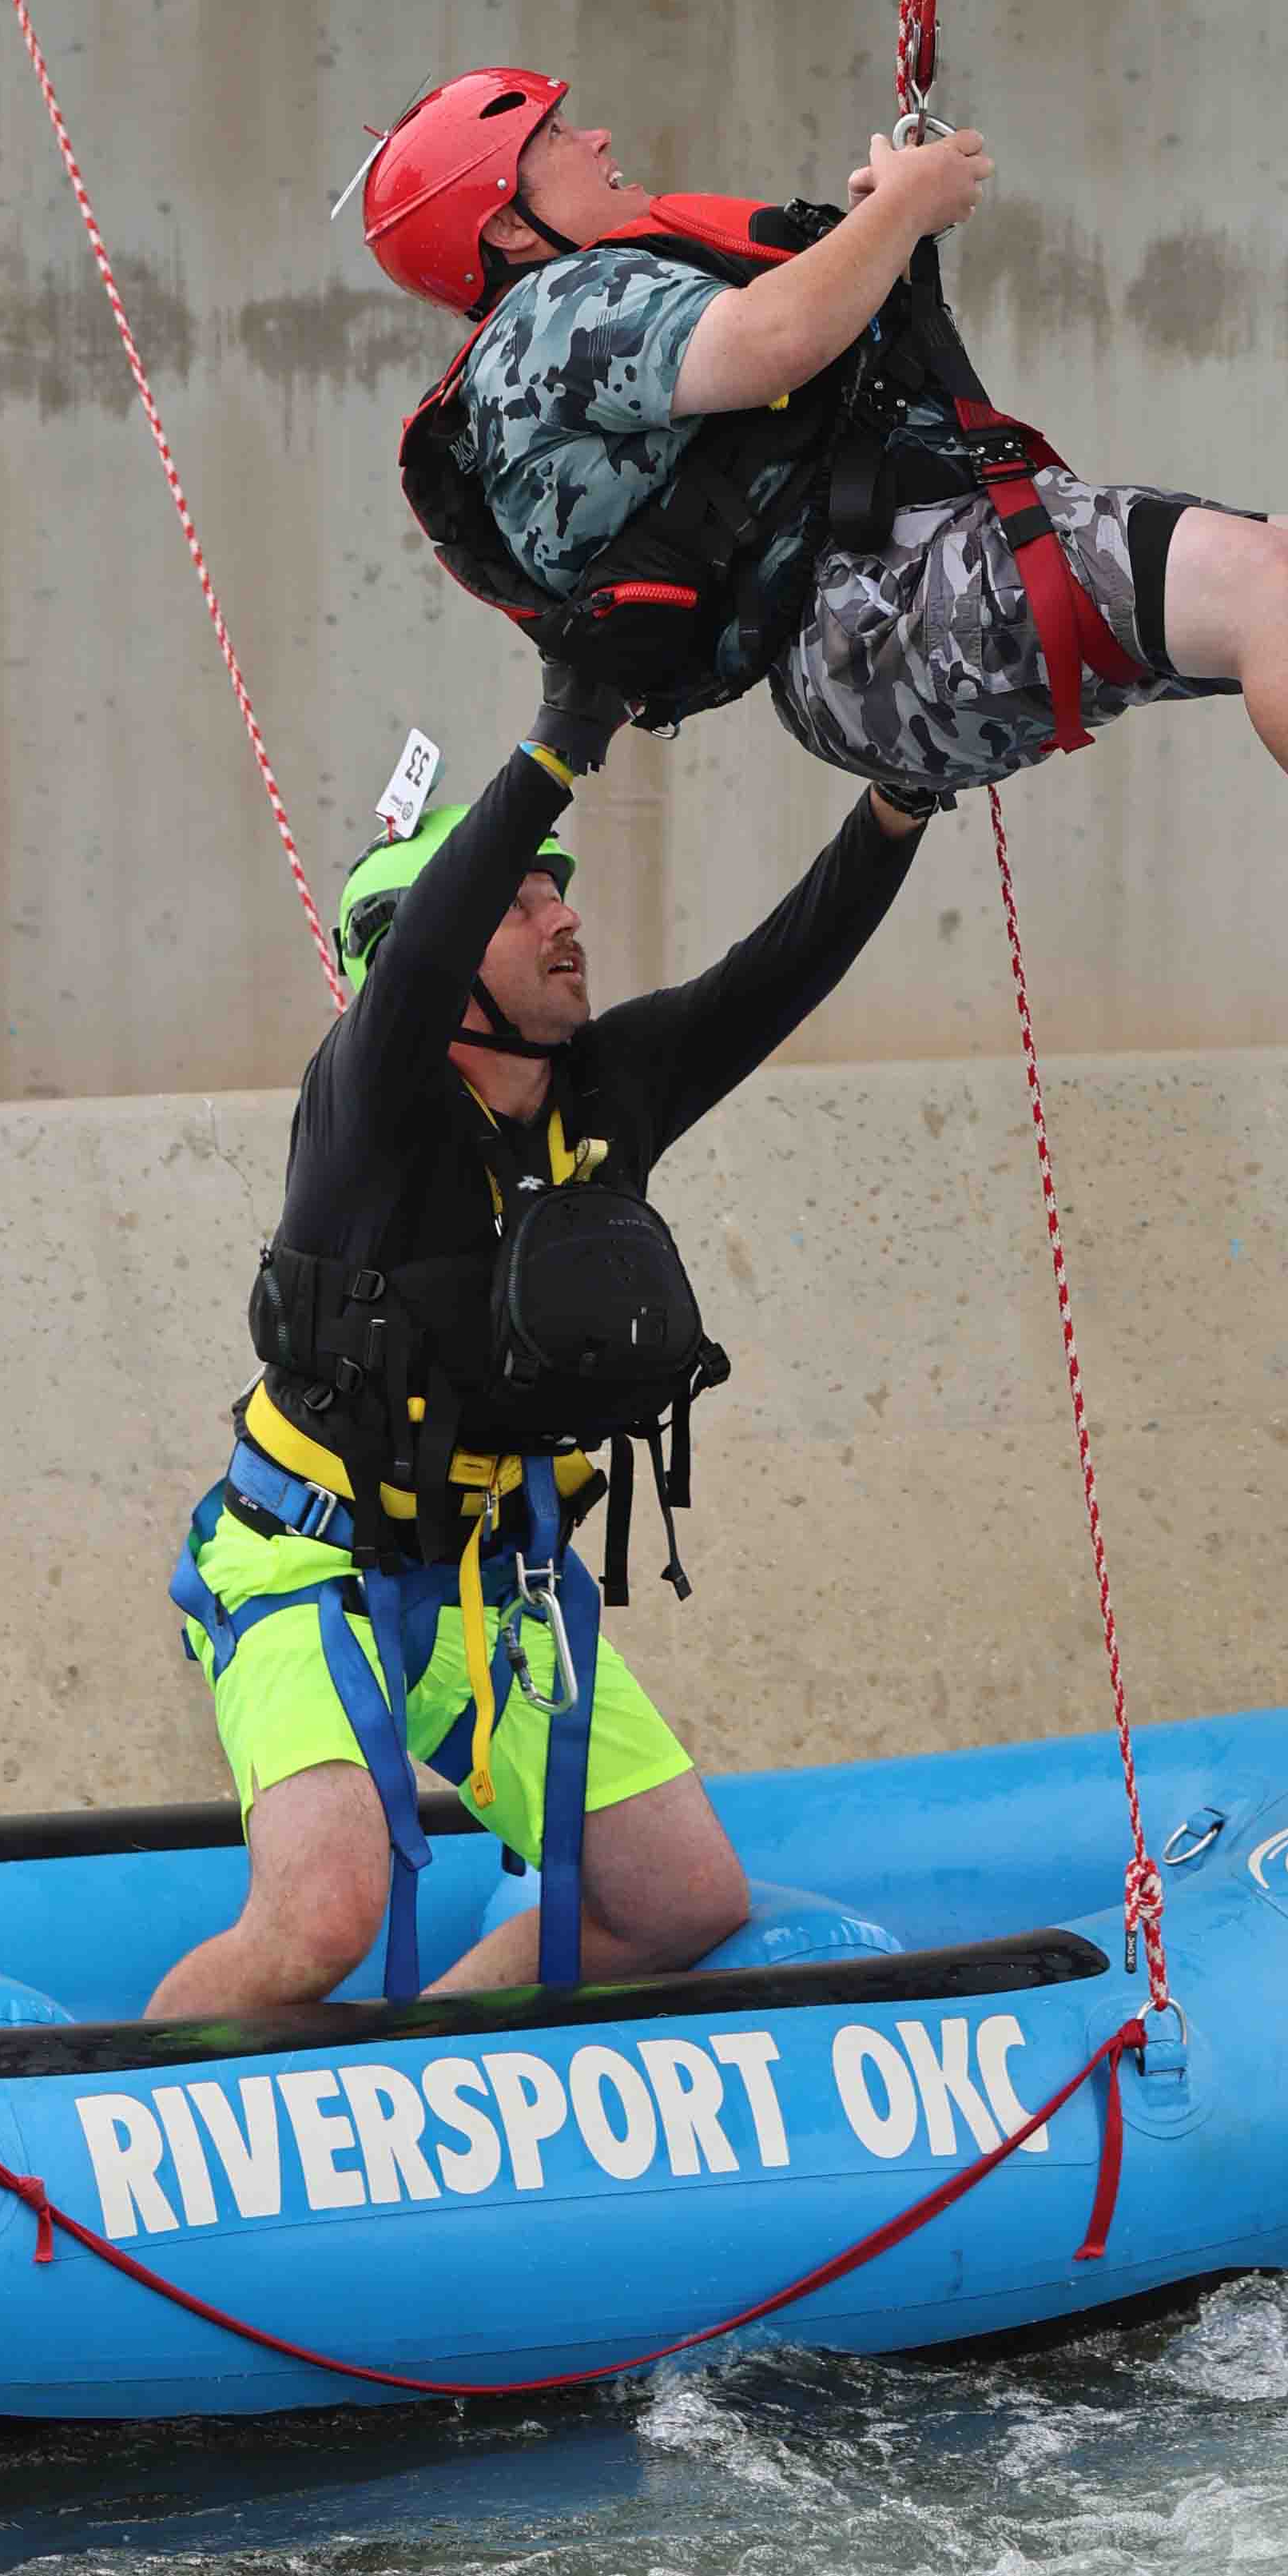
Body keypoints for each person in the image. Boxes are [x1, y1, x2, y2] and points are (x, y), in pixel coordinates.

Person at [352, 73, 1288, 1000]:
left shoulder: (578, 309)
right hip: (881, 615)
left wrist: (877, 222)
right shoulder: (551, 313)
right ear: (502, 221)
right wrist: (913, 205)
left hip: (890, 616)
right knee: (1272, 584)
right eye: (553, 135)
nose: (597, 131)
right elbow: (767, 342)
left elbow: (783, 348)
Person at [151, 648, 927, 2028]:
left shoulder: (610, 1089)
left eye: (562, 891)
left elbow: (779, 971)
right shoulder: (369, 1110)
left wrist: (898, 807)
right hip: (303, 1560)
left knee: (680, 1903)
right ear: (431, 968)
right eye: (522, 903)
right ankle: (119, 2124)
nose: (564, 917)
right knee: (327, 1911)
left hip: (492, 1578)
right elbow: (426, 948)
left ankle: (414, 2065)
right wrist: (562, 740)